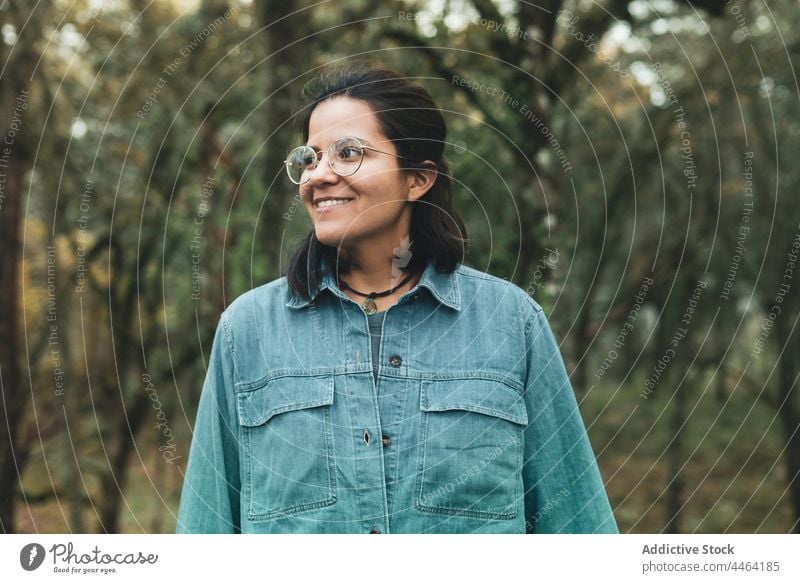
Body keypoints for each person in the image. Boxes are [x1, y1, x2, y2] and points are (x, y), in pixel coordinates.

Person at [176, 63, 617, 534]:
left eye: (348, 153)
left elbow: (579, 531)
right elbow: (206, 534)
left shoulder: (511, 323)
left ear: (418, 178)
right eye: (311, 157)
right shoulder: (247, 331)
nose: (318, 176)